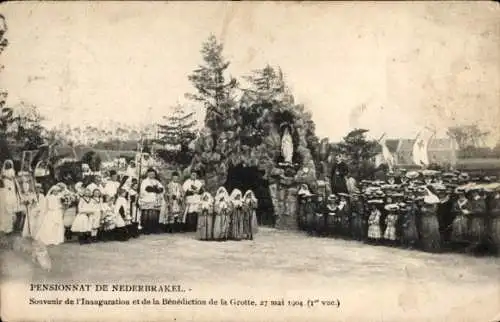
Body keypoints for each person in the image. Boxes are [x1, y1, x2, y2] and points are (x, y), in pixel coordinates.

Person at [138, 168, 164, 234]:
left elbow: (162, 189)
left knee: (154, 215)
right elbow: (144, 190)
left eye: (153, 174)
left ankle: (153, 228)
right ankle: (146, 229)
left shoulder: (157, 181)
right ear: (147, 174)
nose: (152, 175)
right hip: (147, 200)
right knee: (146, 215)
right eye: (150, 173)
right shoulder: (144, 181)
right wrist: (154, 189)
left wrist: (156, 189)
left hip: (155, 200)